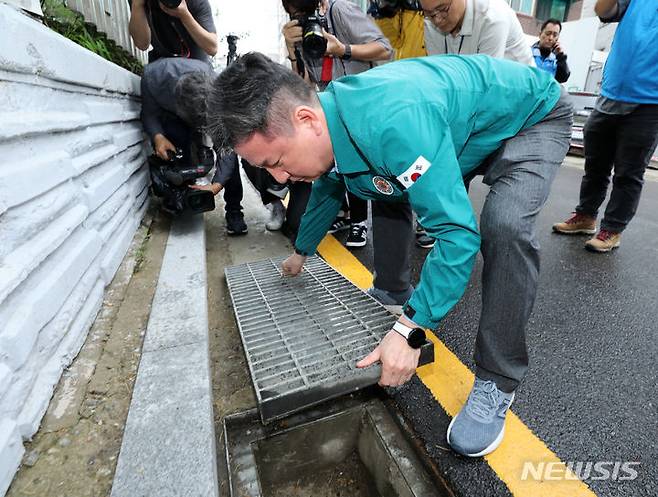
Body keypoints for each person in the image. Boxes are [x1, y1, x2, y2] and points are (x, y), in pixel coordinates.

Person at [208, 52, 572, 457]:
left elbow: (455, 236)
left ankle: (497, 381)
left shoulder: (393, 123)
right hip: (461, 128)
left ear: (306, 121)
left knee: (504, 226)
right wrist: (302, 252)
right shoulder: (333, 125)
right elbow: (327, 191)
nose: (278, 178)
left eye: (275, 163)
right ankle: (394, 292)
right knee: (388, 185)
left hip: (530, 116)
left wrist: (410, 331)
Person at [282, 0, 393, 248]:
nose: (303, 17)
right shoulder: (300, 30)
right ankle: (344, 213)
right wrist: (292, 49)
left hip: (363, 102)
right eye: (296, 13)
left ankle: (360, 222)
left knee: (362, 164)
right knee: (340, 164)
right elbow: (300, 88)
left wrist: (343, 49)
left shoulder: (340, 9)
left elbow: (385, 49)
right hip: (332, 105)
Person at [552, 0, 658, 252]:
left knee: (628, 173)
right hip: (611, 93)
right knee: (595, 164)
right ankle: (586, 216)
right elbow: (603, 10)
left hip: (650, 100)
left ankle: (612, 229)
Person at [141, 57, 247, 233]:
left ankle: (234, 210)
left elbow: (225, 149)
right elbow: (149, 113)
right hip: (171, 114)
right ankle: (181, 197)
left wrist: (217, 184)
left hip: (206, 104)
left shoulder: (217, 92)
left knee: (229, 154)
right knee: (176, 144)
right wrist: (158, 136)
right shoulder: (153, 78)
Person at [129, 0, 218, 63]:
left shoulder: (196, 2)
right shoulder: (142, 3)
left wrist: (184, 15)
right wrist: (137, 5)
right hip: (163, 67)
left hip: (196, 67)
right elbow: (142, 44)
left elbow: (212, 48)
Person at [532, 18, 570, 83]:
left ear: (557, 38)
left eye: (555, 35)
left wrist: (561, 57)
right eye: (548, 33)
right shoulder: (528, 53)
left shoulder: (557, 60)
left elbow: (563, 78)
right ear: (540, 34)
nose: (550, 38)